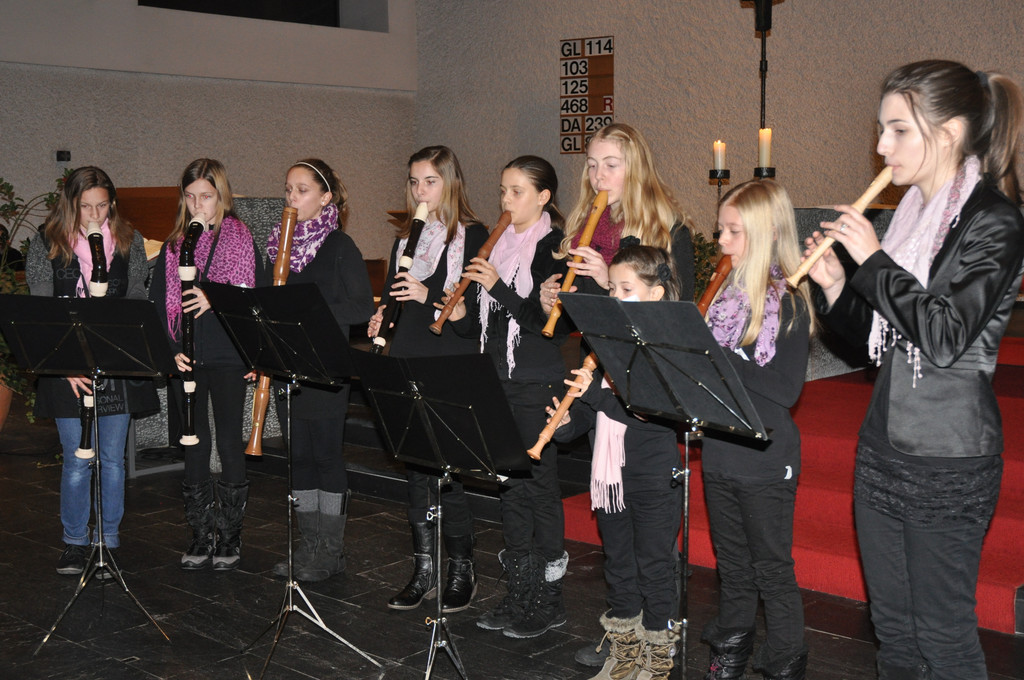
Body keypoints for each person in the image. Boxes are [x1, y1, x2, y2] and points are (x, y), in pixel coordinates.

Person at [805, 60, 1024, 680]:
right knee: (894, 629)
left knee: (943, 634)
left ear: (949, 132)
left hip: (949, 457)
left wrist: (873, 262)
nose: (882, 147)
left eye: (898, 130)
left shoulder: (994, 220)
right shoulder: (908, 217)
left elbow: (945, 337)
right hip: (883, 445)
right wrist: (837, 285)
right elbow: (868, 348)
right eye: (881, 129)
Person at [446, 155, 572, 638]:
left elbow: (547, 326)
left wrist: (497, 286)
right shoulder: (494, 245)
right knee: (511, 488)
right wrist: (460, 318)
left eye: (516, 191)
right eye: (502, 190)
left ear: (543, 197)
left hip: (536, 382)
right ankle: (519, 591)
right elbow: (482, 329)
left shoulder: (556, 250)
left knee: (540, 490)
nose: (505, 200)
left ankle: (549, 599)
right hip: (495, 380)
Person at [544, 245, 684, 679]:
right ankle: (625, 653)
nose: (615, 297)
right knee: (619, 564)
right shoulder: (604, 341)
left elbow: (649, 412)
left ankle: (657, 659)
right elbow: (594, 414)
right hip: (609, 475)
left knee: (655, 567)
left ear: (656, 294)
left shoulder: (667, 344)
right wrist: (566, 424)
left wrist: (594, 393)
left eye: (626, 289)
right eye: (612, 289)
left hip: (652, 473)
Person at [700, 180, 814, 680]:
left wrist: (718, 357)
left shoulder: (789, 301)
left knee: (771, 566)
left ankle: (786, 659)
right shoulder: (722, 298)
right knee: (731, 562)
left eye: (733, 231)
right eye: (720, 230)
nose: (721, 241)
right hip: (720, 447)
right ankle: (733, 645)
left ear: (767, 233)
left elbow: (785, 390)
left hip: (766, 454)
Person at [368, 146, 487, 611]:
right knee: (417, 469)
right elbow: (391, 295)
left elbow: (473, 316)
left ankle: (462, 569)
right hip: (408, 355)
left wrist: (427, 293)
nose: (421, 191)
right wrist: (382, 316)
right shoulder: (407, 239)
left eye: (430, 182)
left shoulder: (475, 236)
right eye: (415, 182)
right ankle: (424, 568)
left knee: (448, 472)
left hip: (450, 359)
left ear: (450, 183)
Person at [26, 166, 157, 575]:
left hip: (113, 364)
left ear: (112, 204)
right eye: (86, 207)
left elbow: (135, 300)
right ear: (71, 205)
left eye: (102, 206)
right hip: (67, 368)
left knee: (112, 460)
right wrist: (64, 364)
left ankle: (107, 539)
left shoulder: (130, 241)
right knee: (76, 460)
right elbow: (40, 310)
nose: (95, 215)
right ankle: (74, 542)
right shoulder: (46, 242)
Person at [150, 158, 260, 571]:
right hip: (188, 356)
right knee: (193, 443)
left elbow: (256, 300)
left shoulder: (242, 239)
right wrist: (170, 349)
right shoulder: (174, 246)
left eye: (207, 197)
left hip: (229, 354)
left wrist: (216, 299)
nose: (198, 205)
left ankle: (229, 535)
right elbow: (158, 306)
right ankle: (200, 533)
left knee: (229, 441)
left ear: (222, 197)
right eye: (191, 196)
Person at [269, 158, 374, 582]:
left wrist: (312, 313)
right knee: (298, 457)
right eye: (288, 189)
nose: (292, 198)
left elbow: (362, 307)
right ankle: (308, 544)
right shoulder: (279, 244)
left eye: (302, 190)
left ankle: (331, 551)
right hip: (287, 364)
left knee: (326, 455)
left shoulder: (339, 246)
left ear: (325, 197)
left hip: (326, 365)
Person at [539, 122, 696, 312]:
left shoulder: (668, 232)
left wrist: (609, 284)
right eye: (592, 165)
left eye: (611, 165)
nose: (598, 176)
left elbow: (678, 313)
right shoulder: (581, 229)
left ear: (636, 170)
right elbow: (579, 317)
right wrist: (552, 307)